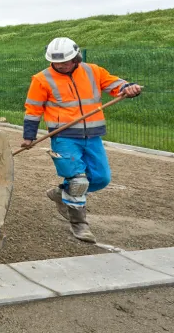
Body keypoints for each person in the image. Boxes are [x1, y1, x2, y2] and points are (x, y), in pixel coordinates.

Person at [21, 37, 142, 242]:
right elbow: (33, 110)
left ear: (76, 57)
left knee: (101, 178)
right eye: (56, 62)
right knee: (78, 181)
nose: (60, 65)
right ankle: (79, 224)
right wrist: (28, 136)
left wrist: (127, 88)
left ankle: (61, 194)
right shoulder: (42, 79)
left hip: (93, 136)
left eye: (65, 61)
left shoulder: (93, 71)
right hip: (63, 137)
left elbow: (114, 84)